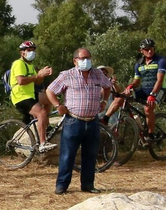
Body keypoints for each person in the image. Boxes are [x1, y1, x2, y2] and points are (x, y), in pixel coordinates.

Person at [44, 47, 114, 194]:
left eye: (88, 58)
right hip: (73, 120)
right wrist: (58, 105)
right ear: (75, 61)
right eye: (83, 58)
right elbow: (50, 90)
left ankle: (88, 185)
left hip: (93, 120)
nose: (86, 61)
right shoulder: (67, 75)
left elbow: (107, 86)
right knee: (67, 155)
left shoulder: (98, 74)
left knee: (90, 155)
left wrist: (104, 101)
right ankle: (62, 186)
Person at [7, 39, 55, 153]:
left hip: (30, 95)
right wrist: (37, 76)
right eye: (29, 50)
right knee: (41, 113)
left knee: (50, 99)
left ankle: (46, 127)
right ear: (22, 52)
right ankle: (42, 143)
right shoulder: (19, 63)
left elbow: (37, 82)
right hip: (20, 96)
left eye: (33, 50)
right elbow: (21, 80)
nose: (31, 53)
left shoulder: (31, 65)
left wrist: (43, 74)